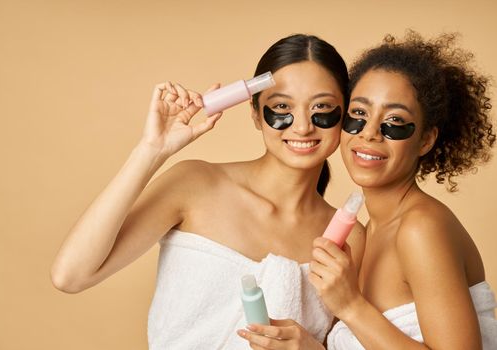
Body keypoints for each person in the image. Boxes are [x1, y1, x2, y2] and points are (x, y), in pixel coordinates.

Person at [50, 34, 365, 349]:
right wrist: (151, 150)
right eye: (282, 107)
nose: (303, 126)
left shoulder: (350, 240)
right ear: (255, 113)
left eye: (322, 108)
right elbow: (71, 276)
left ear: (345, 118)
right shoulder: (196, 185)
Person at [307, 31, 497, 349]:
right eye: (359, 113)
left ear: (426, 139)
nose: (369, 133)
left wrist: (351, 305)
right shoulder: (369, 233)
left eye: (395, 120)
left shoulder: (421, 228)